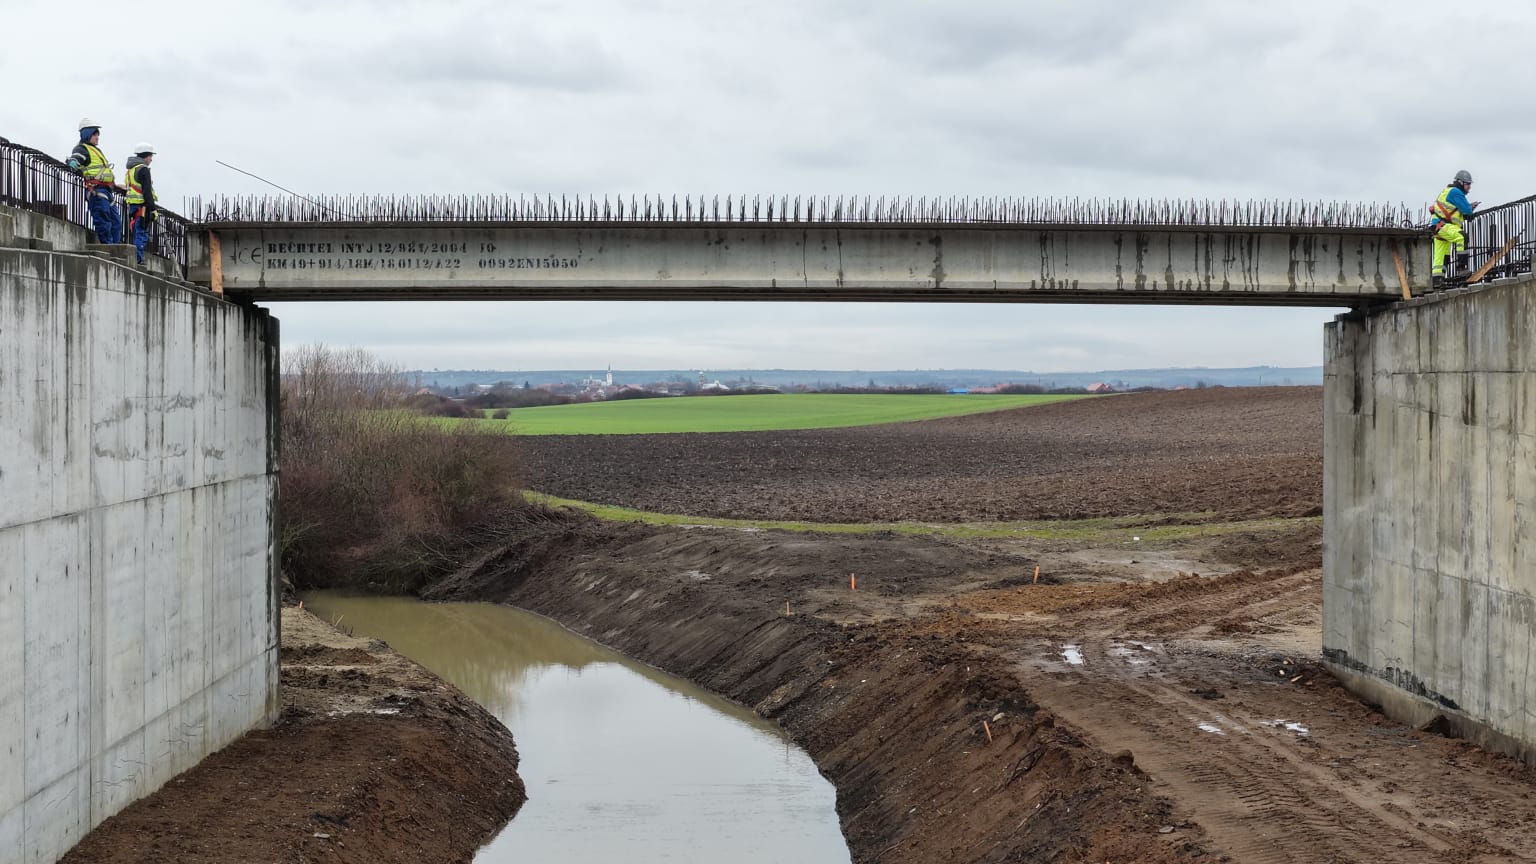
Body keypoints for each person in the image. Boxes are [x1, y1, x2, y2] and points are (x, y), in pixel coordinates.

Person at [66, 118, 122, 245]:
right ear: (87, 134)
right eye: (95, 134)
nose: (97, 137)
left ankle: (115, 247)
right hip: (97, 190)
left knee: (116, 223)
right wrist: (72, 163)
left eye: (97, 134)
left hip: (107, 191)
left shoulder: (96, 150)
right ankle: (108, 246)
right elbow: (75, 160)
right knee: (104, 220)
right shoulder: (82, 149)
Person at [1429, 170, 1479, 288]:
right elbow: (1466, 210)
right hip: (1444, 226)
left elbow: (1457, 210)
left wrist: (1467, 210)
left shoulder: (1448, 191)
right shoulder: (1456, 192)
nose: (1469, 187)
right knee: (1462, 237)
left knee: (1441, 256)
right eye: (1468, 184)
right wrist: (1470, 209)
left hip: (1438, 227)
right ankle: (1461, 268)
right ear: (1461, 183)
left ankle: (1437, 282)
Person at [124, 142, 159, 265]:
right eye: (150, 156)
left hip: (133, 206)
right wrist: (153, 209)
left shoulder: (130, 170)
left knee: (137, 231)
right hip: (142, 207)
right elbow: (147, 191)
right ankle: (139, 259)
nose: (151, 159)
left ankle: (139, 257)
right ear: (145, 156)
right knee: (141, 233)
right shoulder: (143, 170)